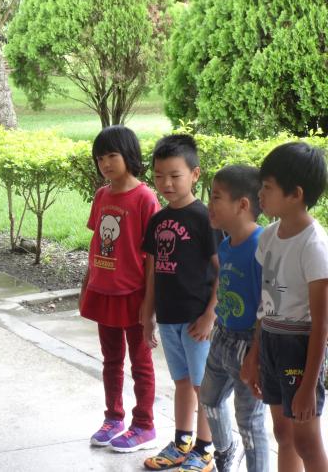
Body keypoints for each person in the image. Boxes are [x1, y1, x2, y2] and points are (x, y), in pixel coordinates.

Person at [241, 142, 328, 472]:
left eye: (267, 187)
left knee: (306, 441)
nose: (260, 194)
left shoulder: (314, 245)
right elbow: (266, 303)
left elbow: (321, 324)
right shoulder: (268, 237)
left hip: (299, 347)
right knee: (283, 433)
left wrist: (308, 386)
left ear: (296, 194)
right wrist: (254, 354)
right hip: (271, 341)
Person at [79, 126, 160, 452]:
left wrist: (149, 305)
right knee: (111, 359)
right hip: (104, 291)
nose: (106, 164)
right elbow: (96, 243)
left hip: (134, 294)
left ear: (129, 155)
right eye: (100, 158)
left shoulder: (145, 198)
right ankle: (113, 418)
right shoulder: (102, 196)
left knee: (141, 363)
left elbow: (153, 257)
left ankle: (144, 425)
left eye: (112, 155)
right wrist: (87, 283)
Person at [141, 134, 219, 472]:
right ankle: (182, 442)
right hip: (169, 317)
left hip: (197, 320)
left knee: (203, 386)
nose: (166, 183)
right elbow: (152, 272)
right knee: (182, 382)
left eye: (175, 175)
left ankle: (205, 448)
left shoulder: (205, 219)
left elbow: (223, 271)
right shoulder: (157, 221)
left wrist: (210, 315)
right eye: (159, 175)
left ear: (195, 174)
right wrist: (148, 315)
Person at [199, 165, 269, 472]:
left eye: (216, 197)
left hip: (249, 345)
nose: (210, 204)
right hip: (222, 335)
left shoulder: (262, 246)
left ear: (242, 204)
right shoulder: (226, 245)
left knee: (250, 422)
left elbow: (267, 305)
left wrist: (257, 353)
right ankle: (226, 452)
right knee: (209, 399)